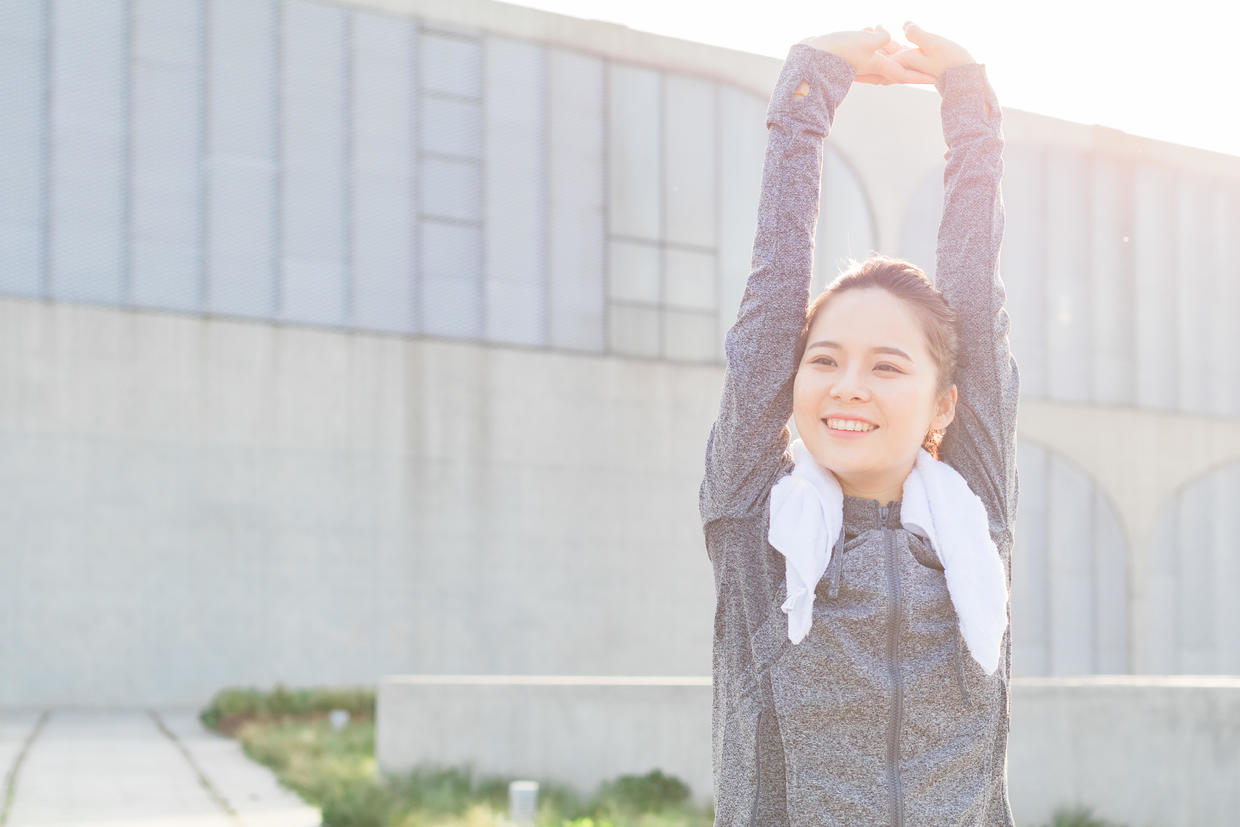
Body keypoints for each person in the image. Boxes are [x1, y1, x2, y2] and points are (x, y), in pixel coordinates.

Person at [698, 22, 1018, 826]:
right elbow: (771, 303)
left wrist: (970, 108)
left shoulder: (970, 520)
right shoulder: (756, 523)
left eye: (887, 365)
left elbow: (977, 299)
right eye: (825, 359)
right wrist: (806, 98)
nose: (848, 387)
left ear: (943, 403)